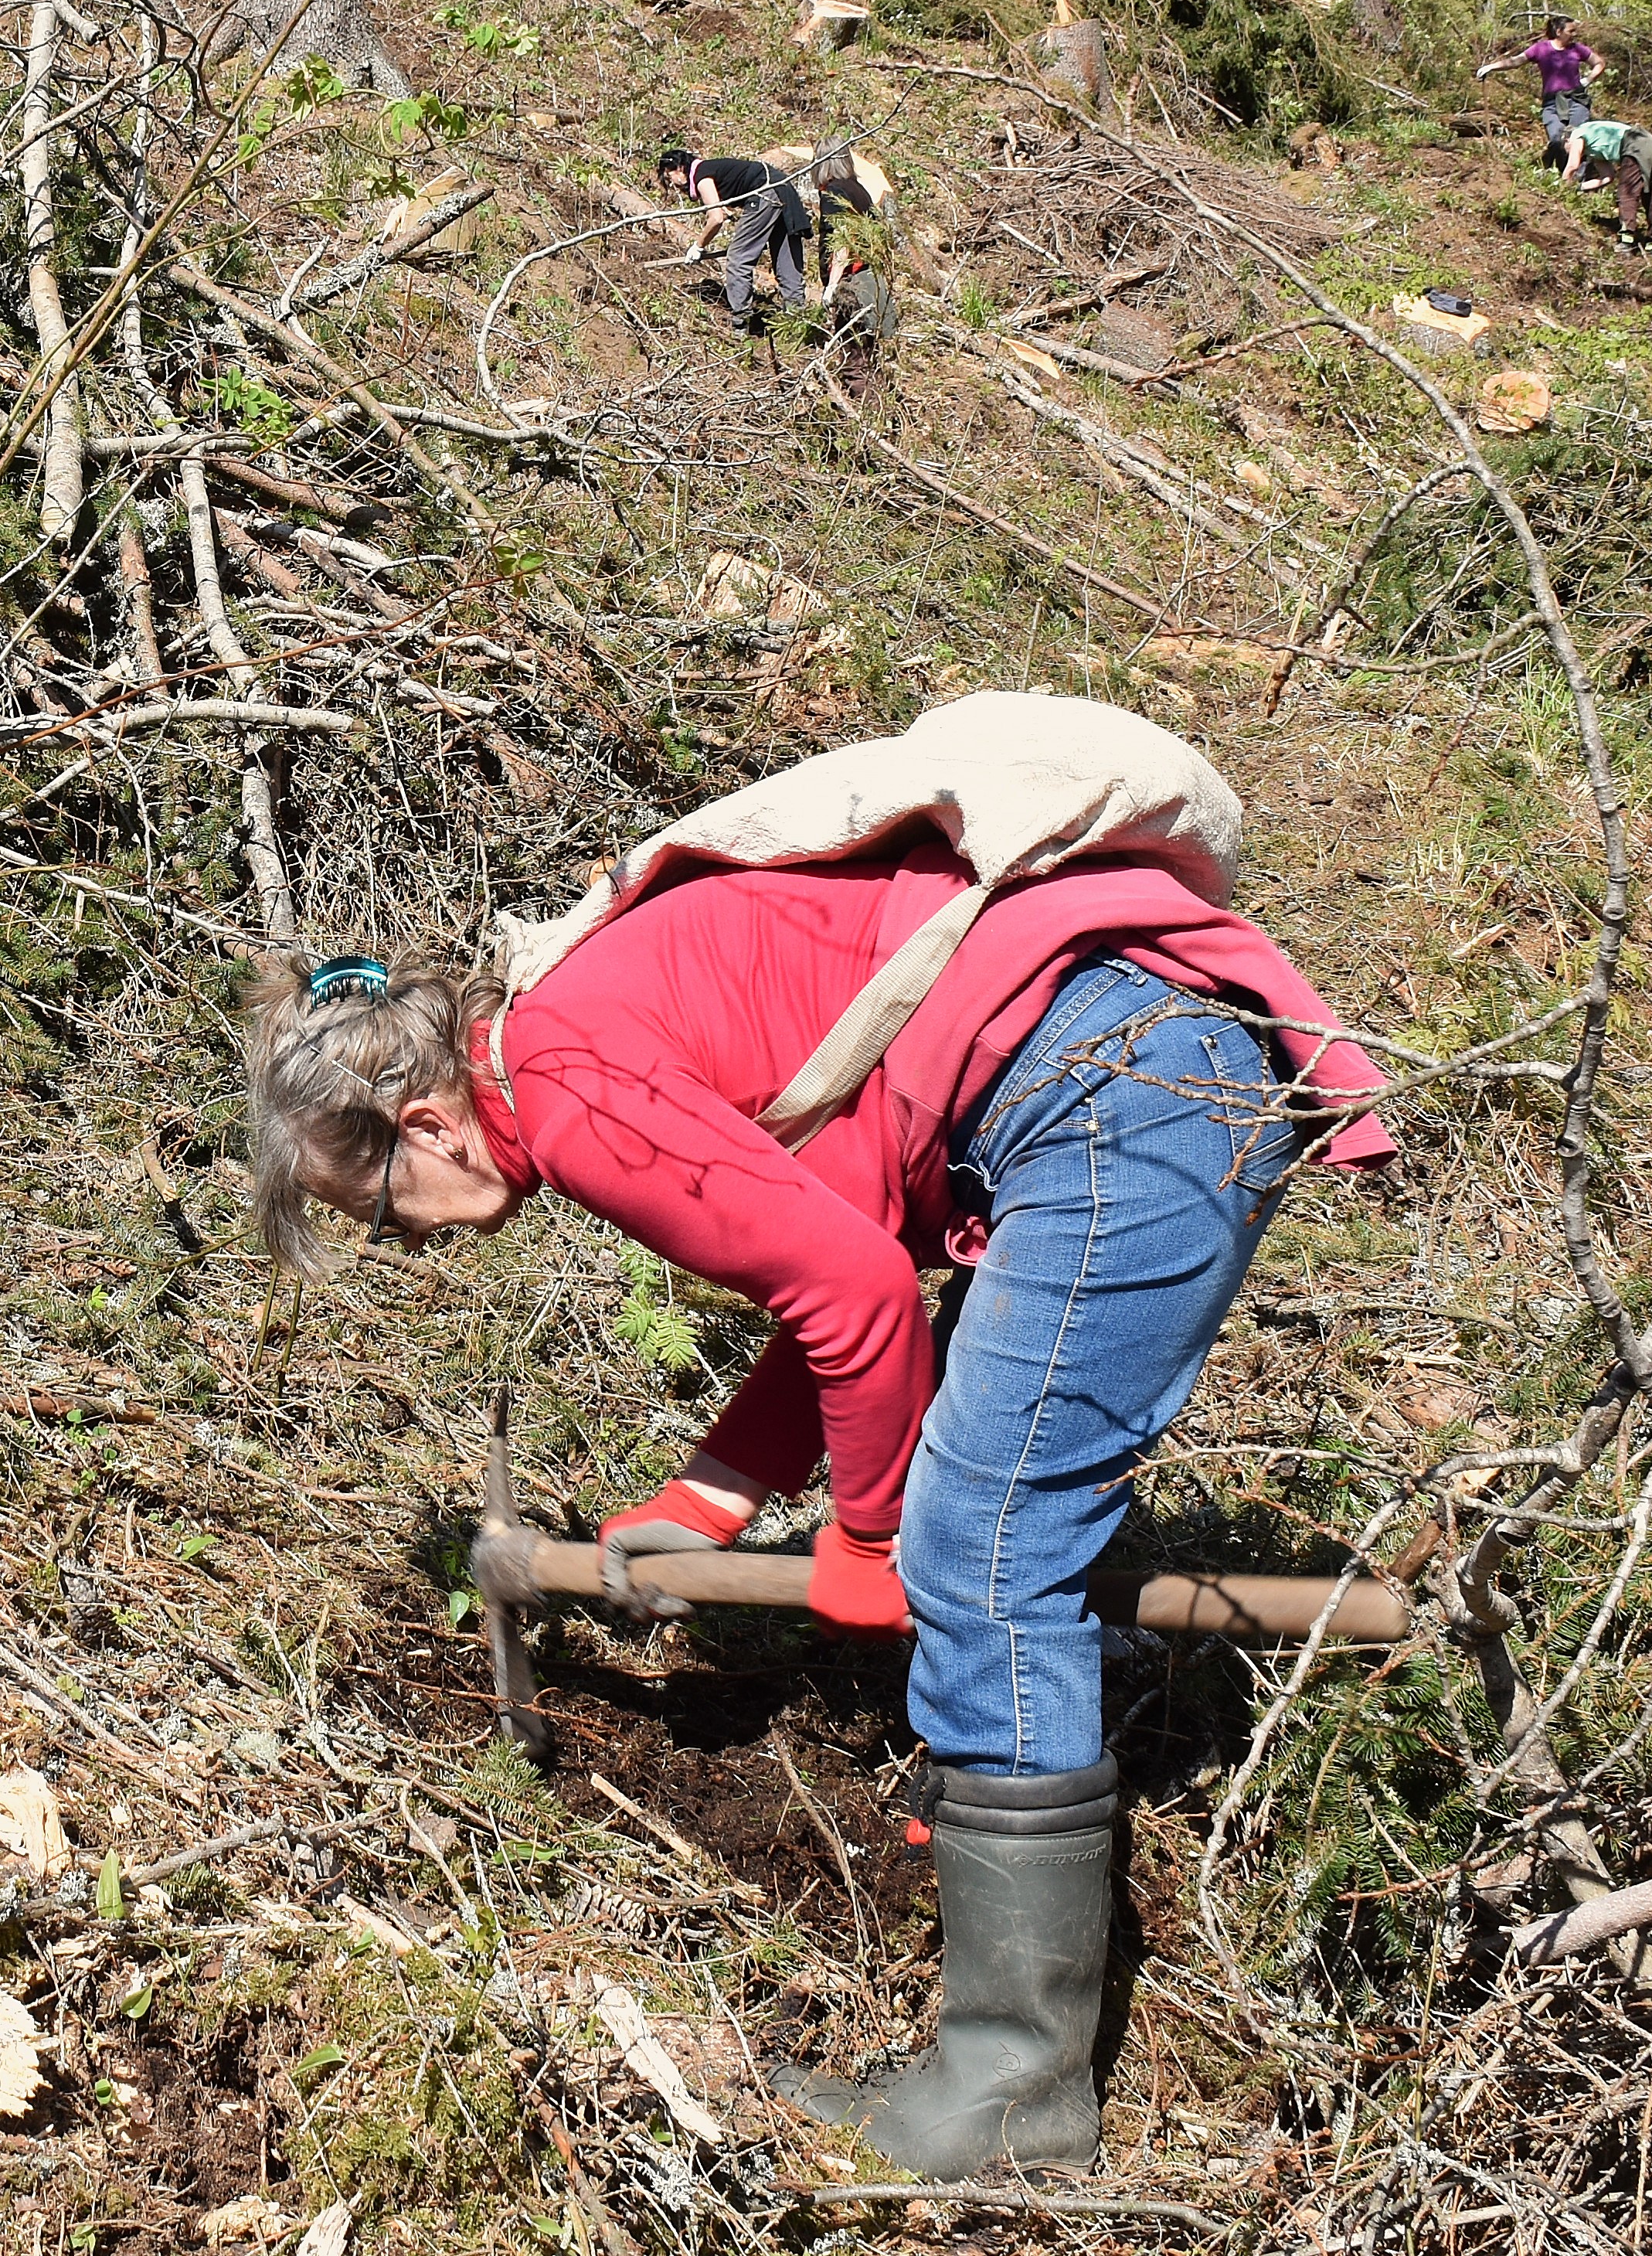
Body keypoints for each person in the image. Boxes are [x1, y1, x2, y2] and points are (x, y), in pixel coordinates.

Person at [241, 822, 1390, 2173]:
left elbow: (854, 1296)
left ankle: (1014, 2096)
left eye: (381, 1209)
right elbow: (841, 1241)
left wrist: (871, 1533)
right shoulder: (577, 1035)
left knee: (985, 1556)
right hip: (1127, 1076)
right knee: (985, 1534)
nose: (410, 1241)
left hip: (1114, 1101)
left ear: (424, 1123)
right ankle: (1009, 2066)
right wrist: (710, 1498)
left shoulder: (567, 1094)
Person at [657, 142, 810, 332]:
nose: (672, 184)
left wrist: (698, 246)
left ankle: (741, 323)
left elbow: (716, 218)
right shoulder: (711, 170)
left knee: (738, 259)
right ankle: (798, 322)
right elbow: (721, 209)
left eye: (669, 177)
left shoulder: (701, 175)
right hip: (782, 189)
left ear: (679, 168)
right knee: (786, 261)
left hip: (766, 192)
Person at [1473, 17, 1596, 163]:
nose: (1575, 34)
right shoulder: (1541, 49)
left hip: (1576, 100)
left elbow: (1599, 63)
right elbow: (1516, 61)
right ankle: (1562, 173)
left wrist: (1588, 79)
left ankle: (1578, 178)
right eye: (1571, 31)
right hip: (1552, 103)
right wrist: (1491, 67)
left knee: (1576, 138)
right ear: (1558, 31)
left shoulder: (1577, 49)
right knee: (1556, 139)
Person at [1564, 114, 1652, 251]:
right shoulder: (1595, 147)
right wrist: (1579, 188)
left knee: (1627, 192)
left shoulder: (1577, 134)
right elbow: (1607, 178)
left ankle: (1627, 240)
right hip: (1649, 142)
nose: (1567, 152)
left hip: (1635, 142)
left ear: (1567, 140)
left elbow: (1573, 165)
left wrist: (1562, 186)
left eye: (1565, 148)